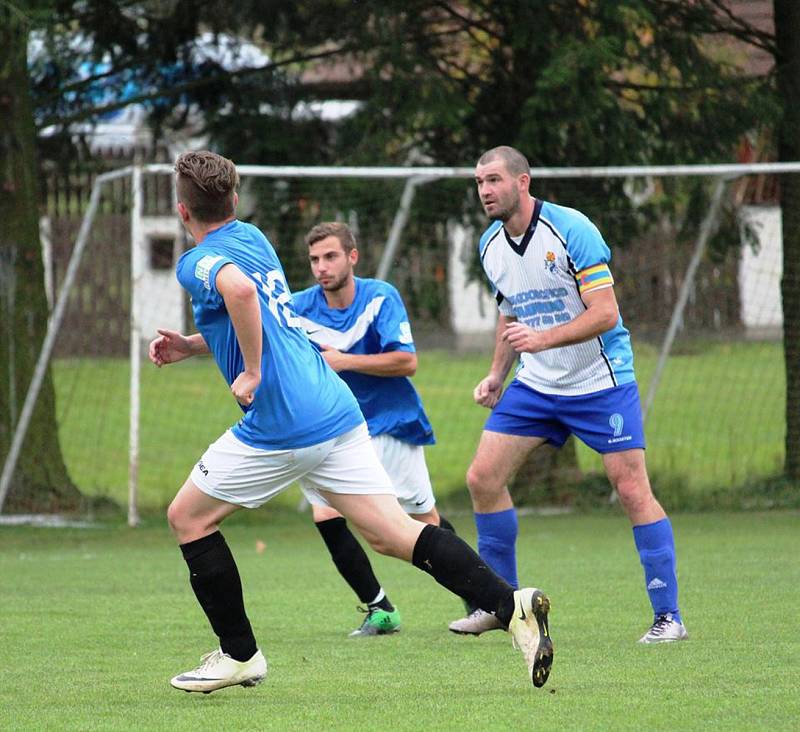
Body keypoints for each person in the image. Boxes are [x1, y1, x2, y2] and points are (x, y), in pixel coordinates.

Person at [150, 150, 553, 694]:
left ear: (182, 211)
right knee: (395, 534)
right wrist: (194, 346)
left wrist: (249, 370)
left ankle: (239, 654)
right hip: (336, 410)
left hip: (283, 421)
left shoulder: (193, 261)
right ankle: (513, 605)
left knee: (188, 519)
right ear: (235, 201)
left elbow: (241, 295)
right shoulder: (254, 238)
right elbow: (262, 312)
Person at [448, 145, 687, 645]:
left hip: (601, 380)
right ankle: (501, 605)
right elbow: (510, 315)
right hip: (537, 382)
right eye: (478, 182)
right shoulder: (490, 245)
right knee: (483, 478)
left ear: (523, 182)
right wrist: (496, 374)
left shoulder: (571, 229)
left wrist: (543, 339)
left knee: (630, 488)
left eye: (493, 180)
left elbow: (606, 314)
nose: (485, 191)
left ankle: (669, 617)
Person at [292, 221, 456, 637]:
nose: (321, 267)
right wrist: (190, 343)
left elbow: (406, 362)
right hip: (336, 429)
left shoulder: (380, 297)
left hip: (390, 422)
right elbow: (247, 322)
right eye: (314, 259)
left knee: (423, 520)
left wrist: (344, 361)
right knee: (325, 512)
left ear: (352, 257)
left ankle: (486, 595)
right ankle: (380, 608)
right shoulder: (298, 307)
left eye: (330, 256)